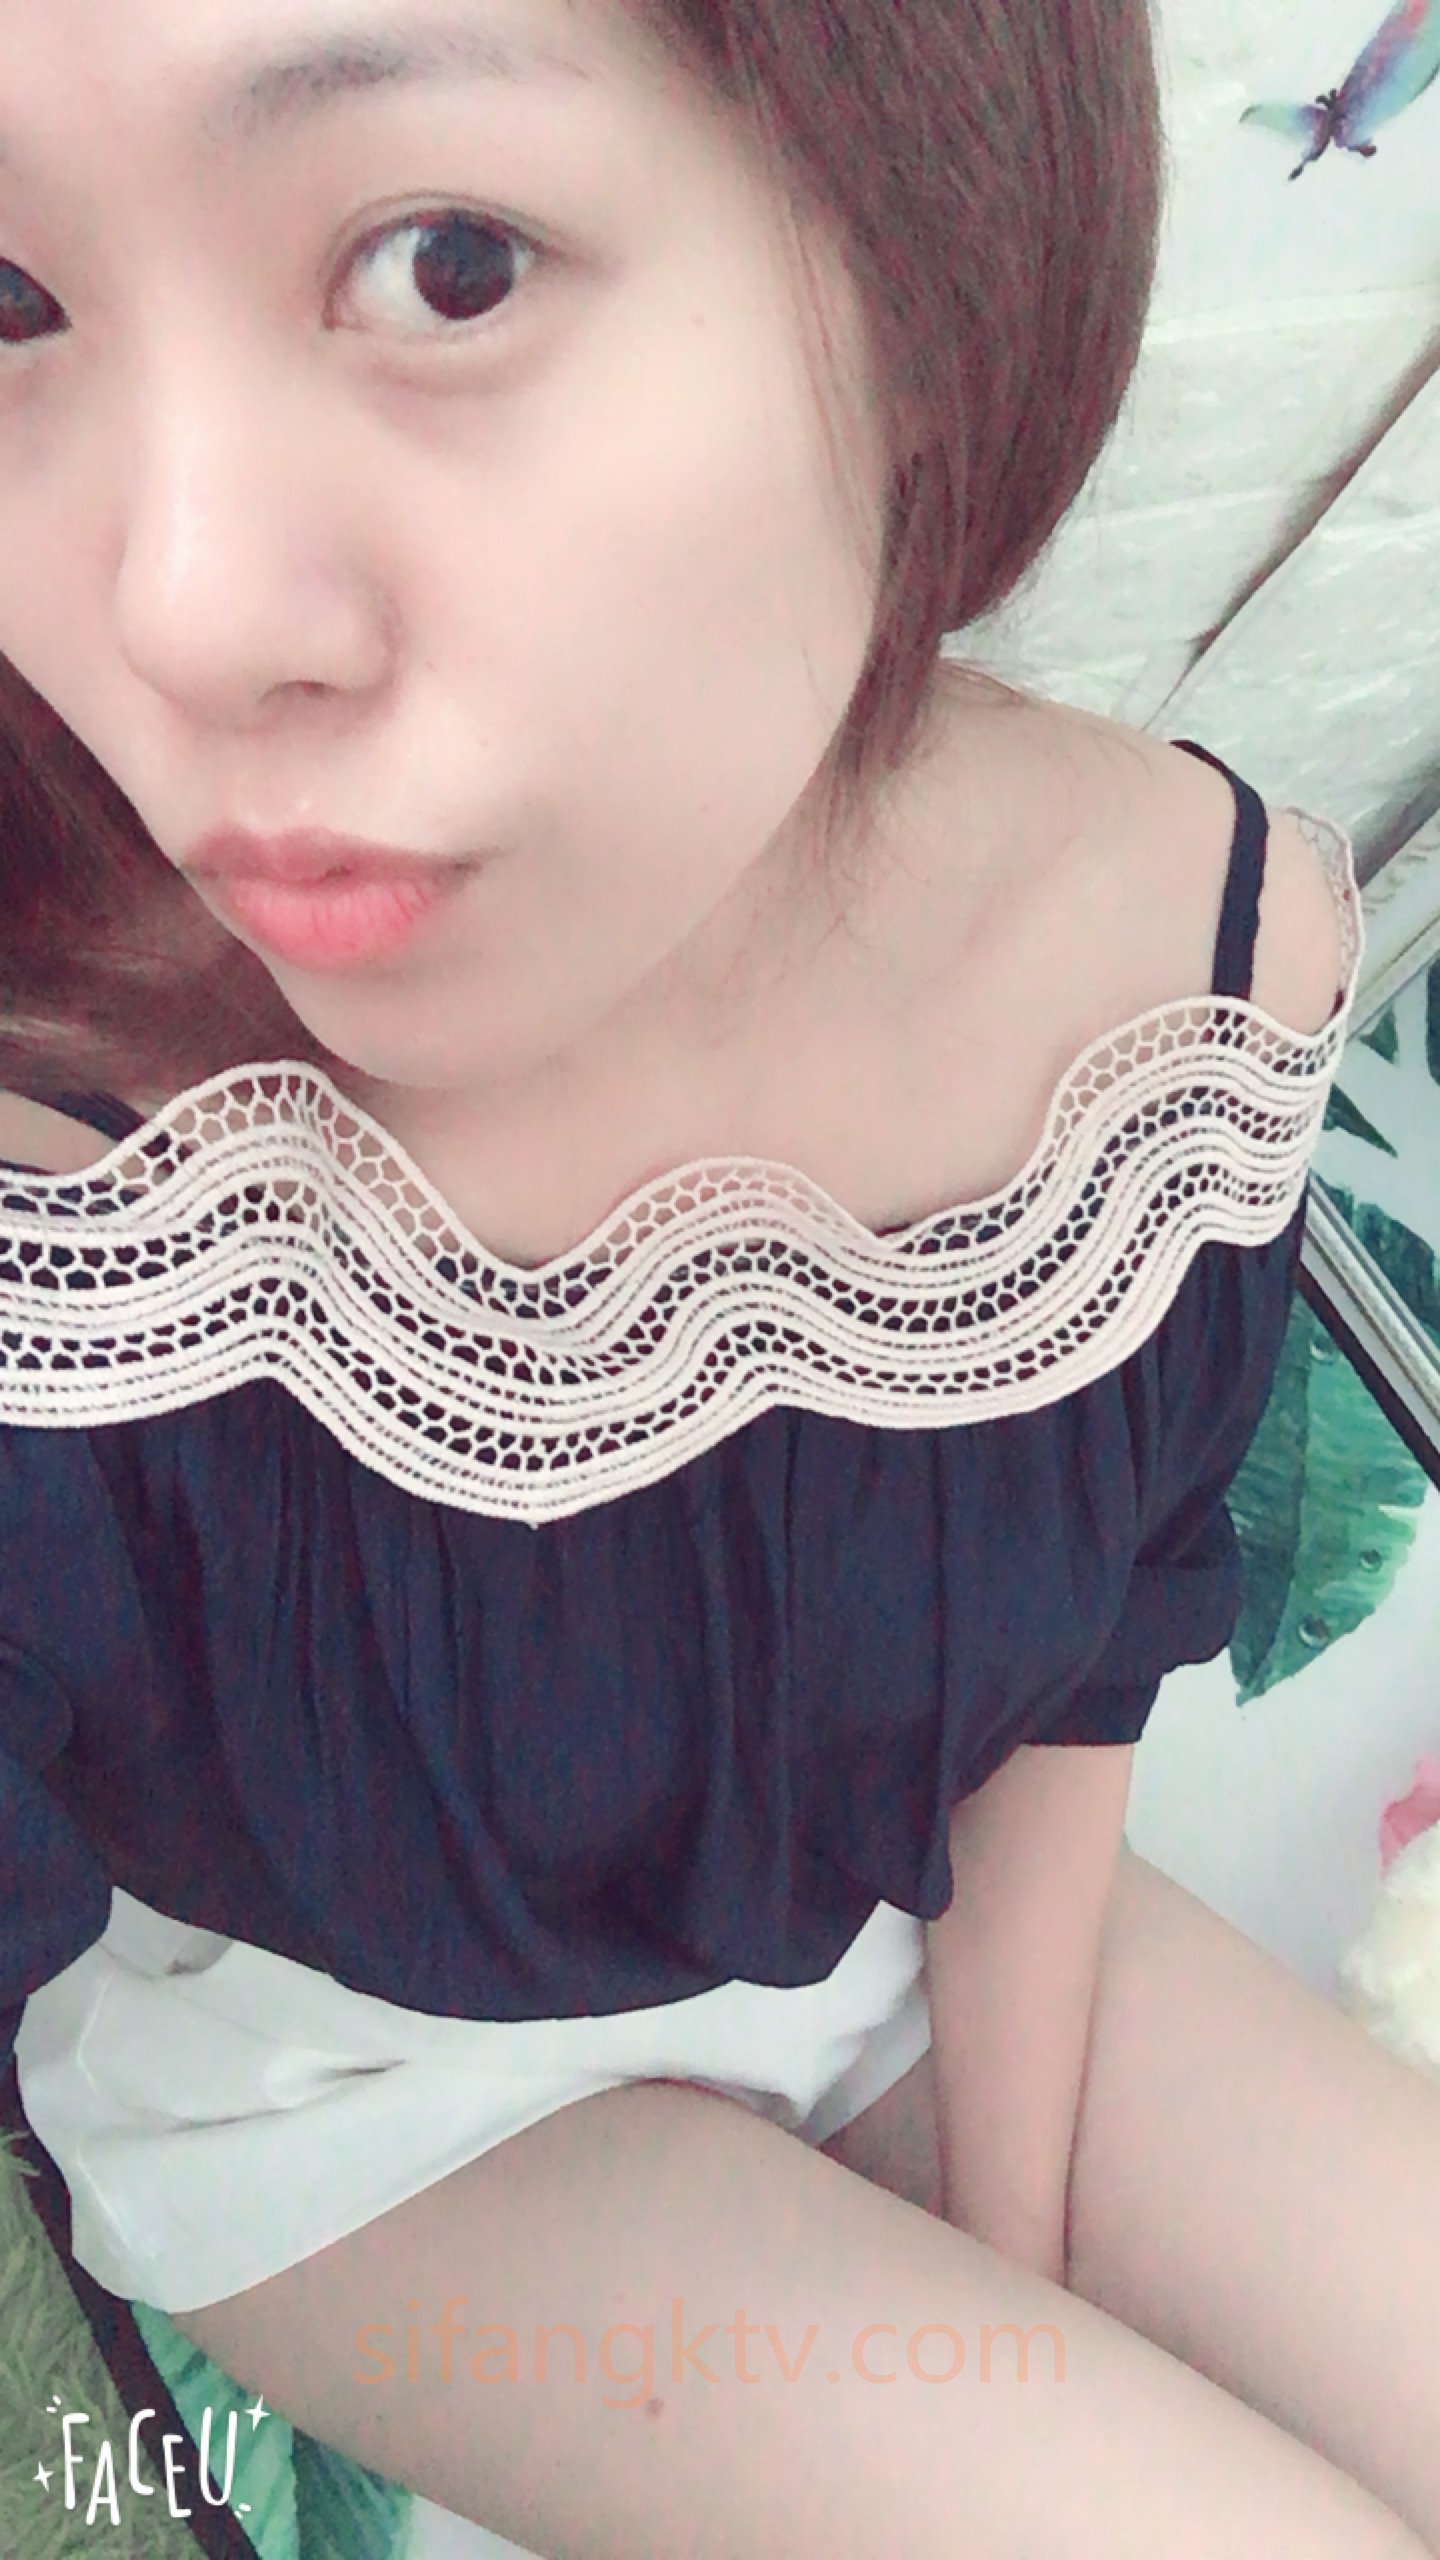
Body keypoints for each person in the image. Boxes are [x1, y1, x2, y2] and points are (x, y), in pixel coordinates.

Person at [0, 3, 1436, 2554]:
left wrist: (1006, 2257)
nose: (184, 612)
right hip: (370, 2113)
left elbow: (1083, 1657)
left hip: (900, 1932)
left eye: (445, 263)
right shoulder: (74, 1181)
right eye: (6, 307)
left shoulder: (1195, 956)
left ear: (924, 256)